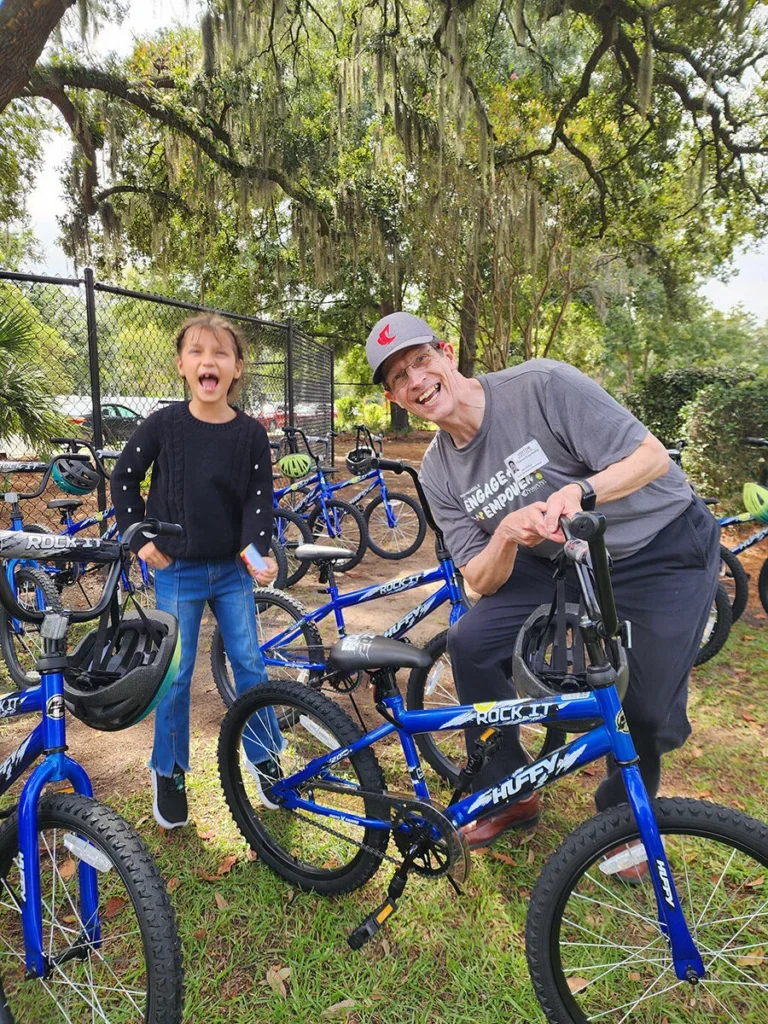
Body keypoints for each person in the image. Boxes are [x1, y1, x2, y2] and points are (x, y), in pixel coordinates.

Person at [366, 311, 720, 850]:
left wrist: (581, 492)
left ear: (447, 354)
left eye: (421, 359)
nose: (416, 379)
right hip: (563, 559)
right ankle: (508, 790)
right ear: (393, 397)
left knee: (644, 706)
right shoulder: (437, 471)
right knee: (472, 641)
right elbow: (479, 579)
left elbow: (651, 458)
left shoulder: (541, 386)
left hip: (660, 544)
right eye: (399, 377)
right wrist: (507, 534)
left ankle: (623, 820)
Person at [112, 313, 282, 830]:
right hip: (178, 570)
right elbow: (124, 477)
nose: (209, 361)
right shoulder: (164, 425)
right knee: (176, 673)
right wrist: (139, 538)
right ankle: (169, 770)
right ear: (182, 365)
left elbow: (258, 500)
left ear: (237, 368)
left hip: (232, 571)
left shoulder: (250, 434)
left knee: (249, 662)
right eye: (197, 352)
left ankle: (264, 756)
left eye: (221, 353)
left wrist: (255, 553)